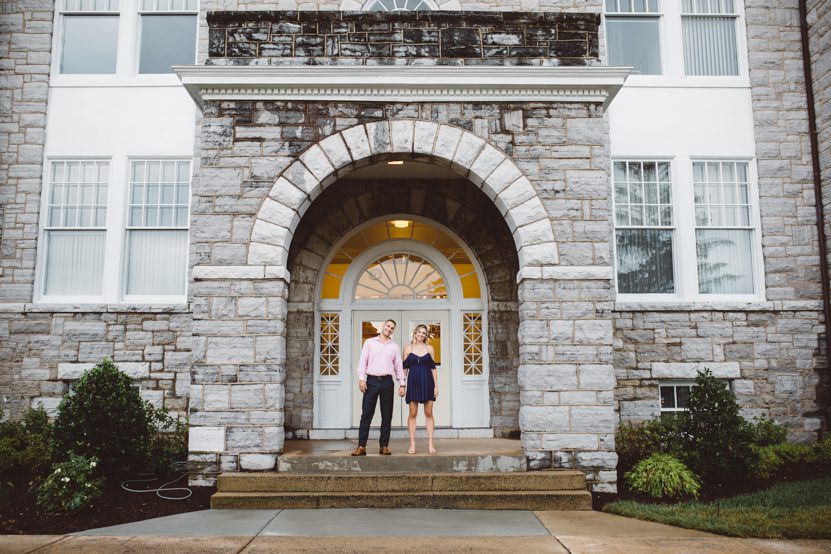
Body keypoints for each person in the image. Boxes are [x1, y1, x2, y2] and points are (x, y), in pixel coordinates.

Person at [352, 319, 407, 456]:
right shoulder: (370, 343)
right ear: (383, 326)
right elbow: (363, 362)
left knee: (387, 415)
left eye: (392, 328)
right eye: (388, 326)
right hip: (371, 381)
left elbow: (398, 366)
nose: (389, 329)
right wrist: (361, 379)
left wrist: (402, 384)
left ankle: (384, 446)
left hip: (387, 382)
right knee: (366, 414)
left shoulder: (394, 347)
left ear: (393, 331)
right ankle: (361, 446)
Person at [403, 324, 438, 455]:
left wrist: (436, 386)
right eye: (419, 332)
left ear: (426, 335)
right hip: (413, 383)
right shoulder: (407, 348)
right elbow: (404, 369)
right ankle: (412, 443)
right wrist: (402, 385)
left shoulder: (430, 348)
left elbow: (433, 368)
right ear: (415, 333)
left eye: (424, 333)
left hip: (427, 382)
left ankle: (430, 442)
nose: (421, 334)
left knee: (428, 413)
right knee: (413, 413)